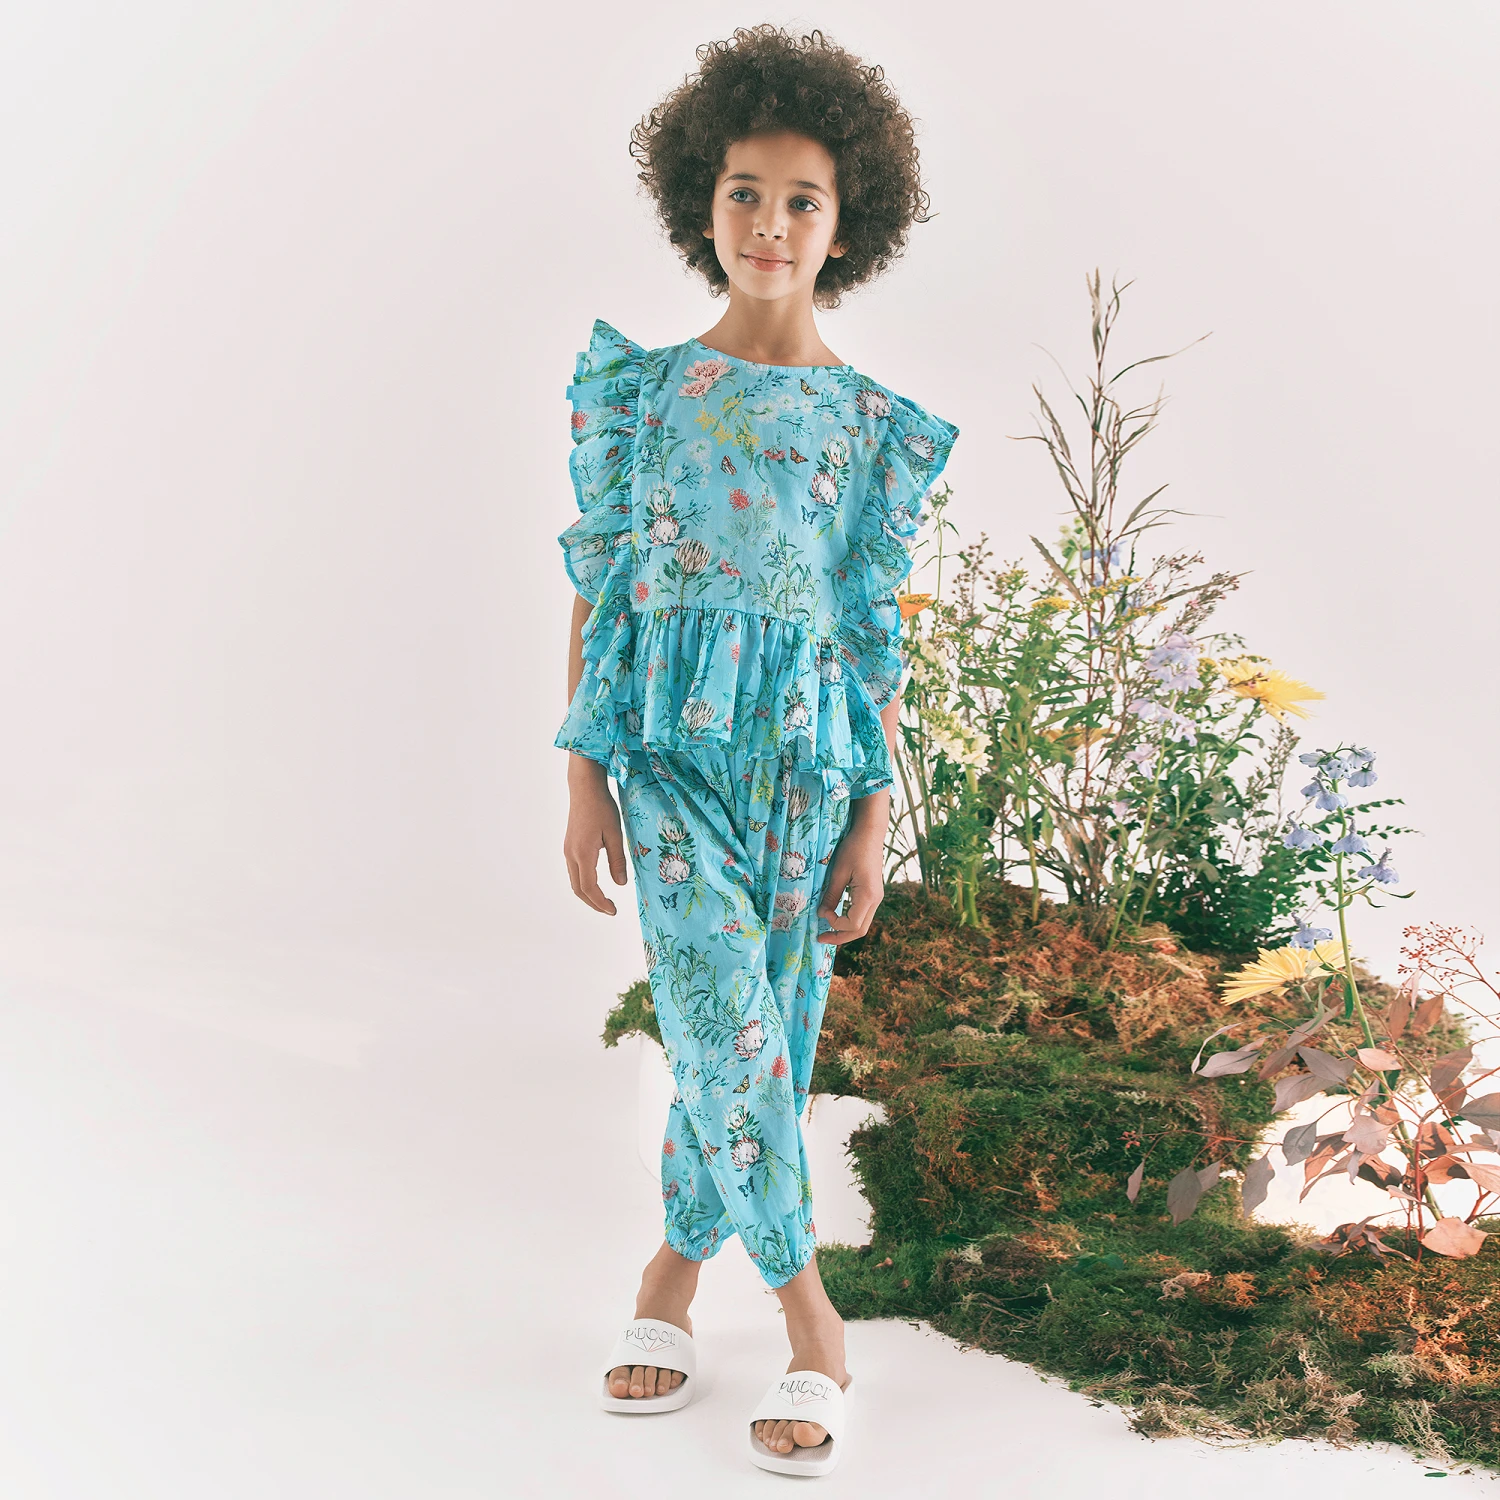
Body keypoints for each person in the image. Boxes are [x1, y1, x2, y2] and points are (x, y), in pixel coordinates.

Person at [557, 23, 958, 1476]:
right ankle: (811, 1320)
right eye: (744, 192)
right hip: (667, 761)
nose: (770, 224)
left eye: (803, 200)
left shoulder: (864, 429)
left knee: (760, 1043)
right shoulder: (645, 393)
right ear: (701, 202)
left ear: (847, 226)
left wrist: (874, 823)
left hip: (800, 774)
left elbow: (869, 642)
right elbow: (602, 593)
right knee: (720, 1007)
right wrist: (585, 775)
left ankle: (672, 1272)